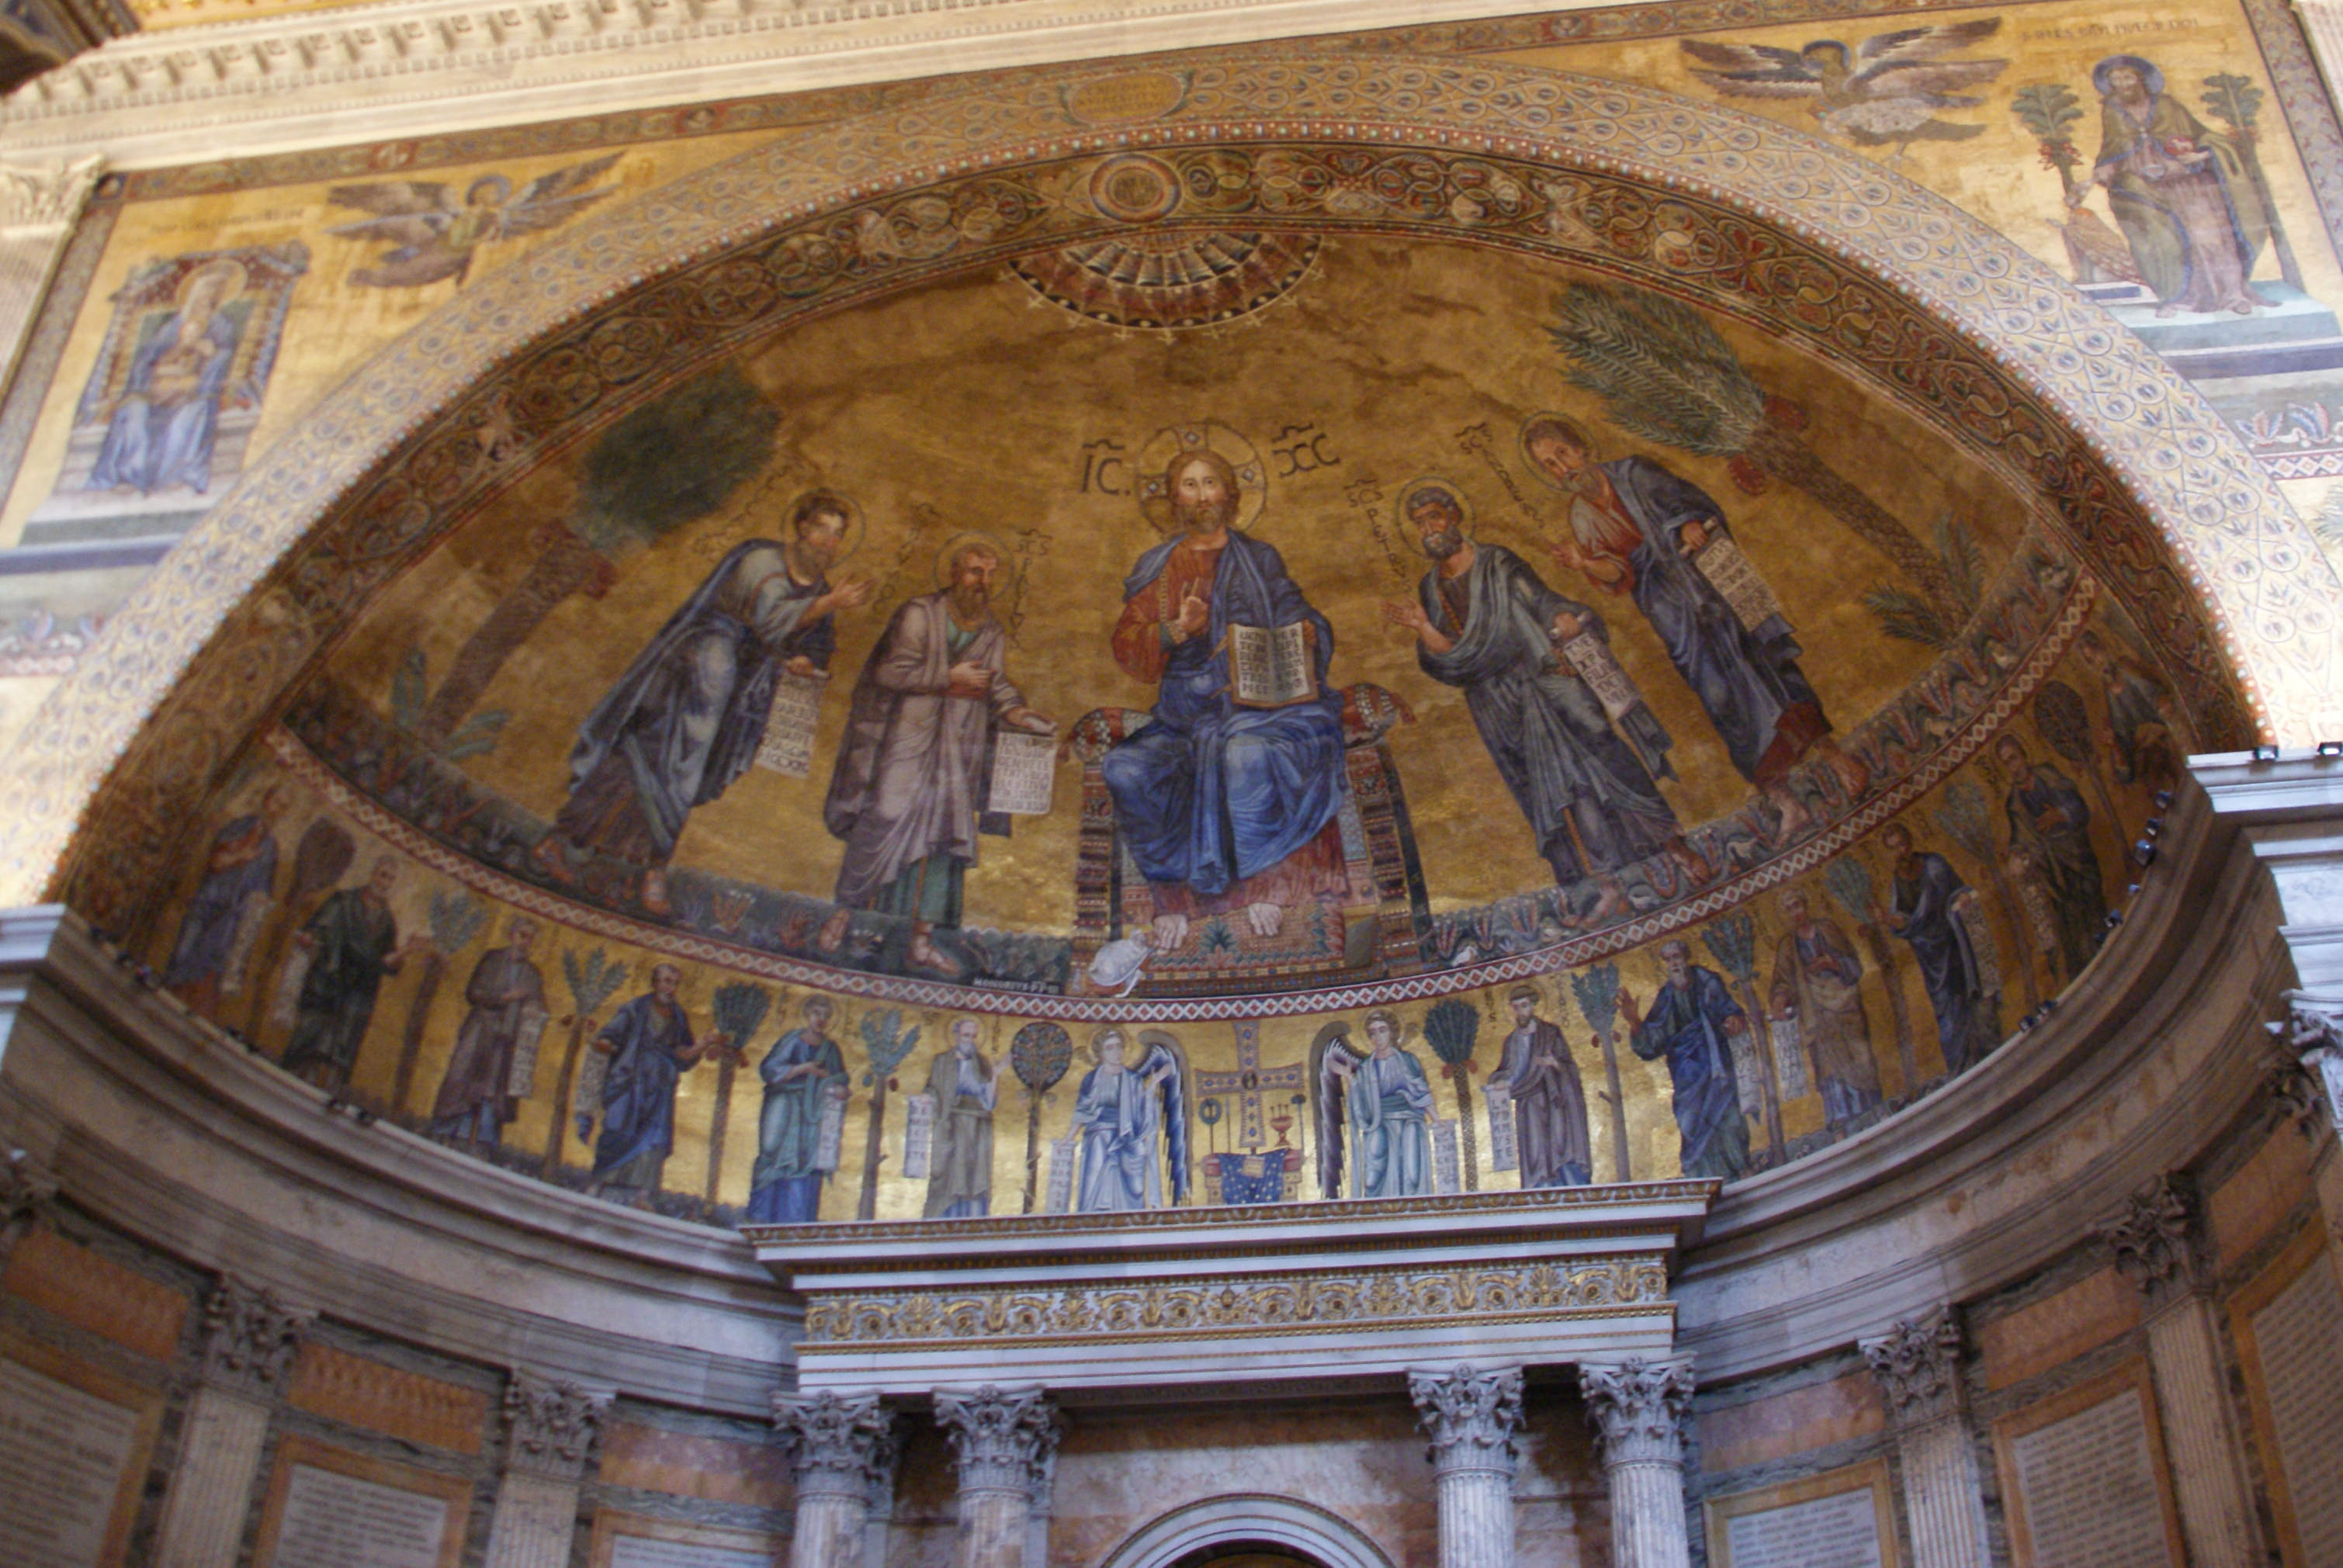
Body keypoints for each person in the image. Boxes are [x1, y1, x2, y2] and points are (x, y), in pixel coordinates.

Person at [535, 490, 873, 916]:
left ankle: (635, 870)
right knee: (658, 761)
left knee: (694, 770)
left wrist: (803, 660)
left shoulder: (820, 588)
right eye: (821, 529)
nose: (828, 542)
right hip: (696, 673)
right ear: (802, 527)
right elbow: (767, 621)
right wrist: (826, 604)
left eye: (837, 535)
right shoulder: (762, 560)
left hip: (738, 693)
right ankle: (580, 849)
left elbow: (815, 643)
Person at [1385, 484, 1702, 926]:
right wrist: (1423, 628)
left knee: (1602, 747)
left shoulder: (1497, 562)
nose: (1429, 529)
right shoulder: (1431, 589)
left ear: (1454, 515)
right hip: (1498, 702)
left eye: (1435, 516)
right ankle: (1603, 885)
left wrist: (1560, 617)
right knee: (1554, 791)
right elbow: (1452, 656)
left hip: (1544, 674)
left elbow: (1540, 599)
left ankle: (1672, 843)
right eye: (1419, 523)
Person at [1522, 414, 1861, 826]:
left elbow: (1692, 503)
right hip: (1667, 609)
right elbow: (1619, 574)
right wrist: (1584, 563)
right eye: (1550, 465)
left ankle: (1834, 756)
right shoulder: (1581, 517)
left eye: (1563, 454)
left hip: (1703, 580)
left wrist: (1688, 523)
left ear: (1581, 448)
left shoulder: (1635, 473)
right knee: (1716, 694)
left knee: (1763, 660)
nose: (1563, 468)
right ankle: (1782, 797)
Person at [1104, 448, 1350, 950]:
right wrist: (1177, 629)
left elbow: (1301, 616)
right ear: (1174, 498)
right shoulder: (1158, 568)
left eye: (1210, 483)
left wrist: (1307, 630)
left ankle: (1266, 884)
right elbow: (1128, 646)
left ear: (1230, 494)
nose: (1202, 496)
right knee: (1125, 768)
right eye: (1190, 485)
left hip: (1262, 706)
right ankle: (1174, 898)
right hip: (1184, 716)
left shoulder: (1259, 559)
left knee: (1245, 753)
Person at [821, 540, 1053, 971]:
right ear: (953, 573)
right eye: (975, 571)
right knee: (884, 814)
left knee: (946, 837)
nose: (983, 582)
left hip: (960, 743)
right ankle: (843, 912)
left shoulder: (990, 630)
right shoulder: (919, 614)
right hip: (909, 733)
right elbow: (889, 671)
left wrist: (1016, 711)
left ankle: (921, 942)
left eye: (990, 574)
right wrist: (946, 677)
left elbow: (994, 682)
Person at [2074, 56, 2270, 317]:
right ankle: (2176, 298)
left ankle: (2233, 296)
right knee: (2162, 244)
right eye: (2116, 80)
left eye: (2127, 77)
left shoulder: (2167, 106)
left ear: (2141, 79)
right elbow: (2113, 149)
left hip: (2189, 185)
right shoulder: (2112, 111)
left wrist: (2199, 156)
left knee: (2210, 239)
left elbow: (2202, 136)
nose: (2122, 85)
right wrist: (2099, 174)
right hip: (2145, 190)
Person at [89, 259, 246, 496]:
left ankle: (178, 478)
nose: (209, 296)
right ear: (194, 293)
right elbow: (145, 361)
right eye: (206, 289)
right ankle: (130, 477)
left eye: (217, 291)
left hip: (193, 392)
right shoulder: (172, 327)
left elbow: (225, 356)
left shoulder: (221, 326)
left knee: (189, 416)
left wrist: (212, 355)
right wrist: (160, 369)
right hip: (157, 391)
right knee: (133, 410)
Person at [586, 964, 727, 1206]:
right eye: (666, 981)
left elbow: (683, 1055)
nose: (670, 988)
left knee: (654, 1138)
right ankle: (599, 1182)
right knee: (617, 1129)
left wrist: (704, 1043)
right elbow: (611, 1034)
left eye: (674, 983)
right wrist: (604, 1042)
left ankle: (643, 1194)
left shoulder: (678, 1016)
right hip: (630, 1080)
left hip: (660, 1086)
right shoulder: (636, 1008)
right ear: (655, 983)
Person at [280, 858, 425, 1091]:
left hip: (356, 997)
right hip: (328, 984)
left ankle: (326, 1093)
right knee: (309, 1044)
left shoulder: (387, 921)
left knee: (340, 1053)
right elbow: (318, 927)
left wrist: (406, 951)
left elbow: (386, 963)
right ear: (373, 874)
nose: (384, 882)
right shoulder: (344, 902)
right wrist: (311, 937)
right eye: (383, 875)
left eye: (390, 879)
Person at [1621, 938, 1749, 1179]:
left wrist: (1733, 1019)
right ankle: (1701, 1176)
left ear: (1686, 957)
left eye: (1677, 957)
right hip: (1686, 1074)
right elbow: (1652, 1044)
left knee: (1727, 1118)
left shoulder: (1708, 981)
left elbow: (1728, 1009)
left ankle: (1738, 1168)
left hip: (1716, 1065)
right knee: (1691, 1122)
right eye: (1668, 960)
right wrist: (1635, 1022)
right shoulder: (1666, 996)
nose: (1674, 964)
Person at [1880, 822, 1997, 1075]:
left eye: (1902, 844)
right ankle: (1962, 1067)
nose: (1901, 851)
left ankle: (1988, 1050)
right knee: (1948, 1011)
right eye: (1894, 848)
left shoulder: (1935, 865)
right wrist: (1892, 921)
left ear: (1910, 842)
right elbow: (1903, 919)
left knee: (1972, 996)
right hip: (1931, 956)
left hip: (1957, 943)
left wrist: (1962, 897)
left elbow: (1958, 888)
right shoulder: (1898, 881)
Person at [163, 785, 289, 1019]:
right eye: (276, 803)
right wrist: (240, 856)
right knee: (184, 957)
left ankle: (191, 1015)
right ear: (266, 800)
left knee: (210, 972)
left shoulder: (270, 849)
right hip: (208, 903)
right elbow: (216, 861)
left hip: (231, 920)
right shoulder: (239, 827)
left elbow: (263, 888)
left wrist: (260, 900)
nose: (277, 811)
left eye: (283, 808)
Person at [425, 918, 547, 1155]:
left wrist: (534, 1010)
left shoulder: (532, 973)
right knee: (462, 1077)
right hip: (479, 1030)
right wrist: (505, 998)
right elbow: (474, 992)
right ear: (512, 934)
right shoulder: (492, 959)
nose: (525, 941)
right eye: (522, 934)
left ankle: (481, 1140)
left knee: (493, 1089)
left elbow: (537, 1003)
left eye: (530, 938)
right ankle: (445, 1130)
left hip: (506, 1037)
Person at [1995, 734, 2106, 981]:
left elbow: (2080, 806)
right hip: (2054, 875)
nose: (2013, 767)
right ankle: (2085, 973)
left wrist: (2061, 814)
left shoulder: (2048, 776)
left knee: (2093, 912)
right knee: (2070, 927)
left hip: (2076, 858)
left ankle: (2106, 954)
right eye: (2006, 763)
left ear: (2024, 755)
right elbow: (2020, 837)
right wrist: (2016, 853)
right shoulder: (2014, 803)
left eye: (2014, 758)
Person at [1767, 888, 1881, 1128]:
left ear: (1806, 905)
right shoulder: (1788, 946)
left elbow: (1855, 966)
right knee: (1828, 1068)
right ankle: (1841, 1122)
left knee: (1861, 1057)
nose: (1796, 913)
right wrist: (1779, 999)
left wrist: (1833, 964)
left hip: (1845, 1005)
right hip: (1815, 1013)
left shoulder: (1828, 929)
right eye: (1789, 910)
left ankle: (1873, 1111)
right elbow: (1783, 981)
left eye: (1797, 905)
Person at [745, 995, 849, 1224]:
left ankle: (796, 1219)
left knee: (805, 1163)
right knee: (772, 1152)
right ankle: (760, 1215)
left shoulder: (831, 1049)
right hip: (783, 1103)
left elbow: (839, 1079)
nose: (821, 1019)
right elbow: (770, 1070)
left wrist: (836, 1087)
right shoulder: (791, 1040)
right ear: (807, 1014)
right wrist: (804, 1069)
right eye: (817, 1013)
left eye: (826, 1015)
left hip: (813, 1115)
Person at [1490, 984, 1593, 1188]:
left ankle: (1568, 1187)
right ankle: (1540, 1189)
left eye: (1524, 1005)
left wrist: (1554, 1063)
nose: (1520, 1011)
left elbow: (1569, 1066)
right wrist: (1501, 1081)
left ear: (1533, 1006)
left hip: (1554, 1097)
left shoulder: (1551, 1034)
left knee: (1560, 1142)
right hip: (1528, 1101)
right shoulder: (1512, 1041)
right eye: (1516, 1007)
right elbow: (1507, 1070)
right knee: (1534, 1148)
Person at [1329, 1009, 1436, 1199]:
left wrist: (1436, 1119)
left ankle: (1413, 1205)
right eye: (1372, 1033)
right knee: (1373, 1175)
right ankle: (1377, 1207)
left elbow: (1422, 1092)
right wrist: (1349, 1077)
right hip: (1379, 1122)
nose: (1378, 1037)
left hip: (1409, 1118)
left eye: (1382, 1030)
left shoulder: (1408, 1061)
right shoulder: (1366, 1067)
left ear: (1392, 1032)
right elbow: (1361, 1099)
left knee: (1412, 1172)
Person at [1073, 1028, 1180, 1212]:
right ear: (1100, 1053)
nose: (1116, 1051)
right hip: (1097, 1135)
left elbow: (1142, 1110)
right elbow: (1081, 1111)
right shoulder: (1091, 1079)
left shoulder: (1133, 1080)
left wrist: (1154, 1083)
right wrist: (1068, 1138)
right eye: (1110, 1048)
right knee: (1099, 1145)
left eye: (1119, 1046)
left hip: (1126, 1136)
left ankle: (1129, 1214)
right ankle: (1093, 1212)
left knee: (1136, 1160)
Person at [2078, 631, 2182, 794]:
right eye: (2090, 661)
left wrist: (2159, 714)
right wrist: (2115, 744)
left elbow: (2156, 692)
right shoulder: (2107, 696)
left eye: (2096, 654)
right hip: (2145, 745)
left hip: (2161, 727)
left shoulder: (2126, 667)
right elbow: (2123, 737)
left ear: (2103, 649)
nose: (2098, 663)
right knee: (2144, 769)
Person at [921, 1018, 998, 1218]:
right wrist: (927, 1096)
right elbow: (932, 1087)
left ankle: (972, 1218)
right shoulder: (942, 1061)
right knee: (951, 1174)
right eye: (966, 1036)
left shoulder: (982, 1063)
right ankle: (946, 1217)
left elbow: (989, 1097)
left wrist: (995, 1076)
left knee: (974, 1175)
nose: (970, 1040)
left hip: (978, 1125)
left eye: (973, 1036)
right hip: (952, 1124)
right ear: (956, 1035)